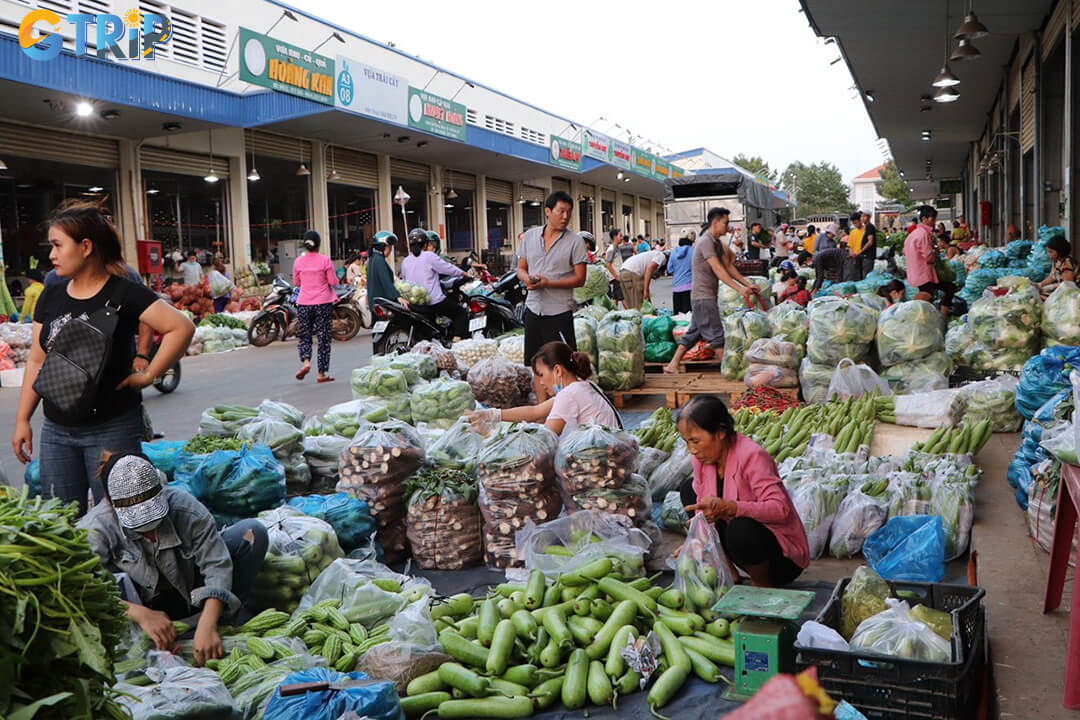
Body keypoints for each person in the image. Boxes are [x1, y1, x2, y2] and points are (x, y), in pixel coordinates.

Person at [12, 199, 194, 516]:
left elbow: (181, 327)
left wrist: (149, 374)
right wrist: (22, 419)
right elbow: (37, 361)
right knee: (63, 521)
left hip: (113, 428)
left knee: (117, 519)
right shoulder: (52, 294)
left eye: (57, 245)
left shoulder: (124, 292)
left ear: (85, 246)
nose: (51, 255)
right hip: (57, 430)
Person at [79, 452, 268, 664]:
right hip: (139, 607)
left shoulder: (185, 508)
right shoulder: (95, 529)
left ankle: (217, 620)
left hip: (189, 591)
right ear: (111, 503)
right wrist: (139, 614)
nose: (149, 533)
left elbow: (216, 563)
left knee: (253, 533)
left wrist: (208, 622)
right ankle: (158, 637)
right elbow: (84, 587)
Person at [677, 395, 809, 587]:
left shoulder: (753, 456)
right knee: (689, 491)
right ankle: (728, 571)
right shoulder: (701, 459)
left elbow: (780, 509)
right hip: (737, 546)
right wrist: (695, 542)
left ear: (720, 432)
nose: (692, 450)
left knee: (741, 528)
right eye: (687, 441)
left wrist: (731, 508)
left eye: (696, 441)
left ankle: (763, 586)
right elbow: (701, 512)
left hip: (778, 558)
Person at [664, 207, 756, 374]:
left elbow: (727, 265)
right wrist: (740, 289)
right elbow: (718, 269)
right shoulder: (705, 241)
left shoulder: (716, 242)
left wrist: (746, 283)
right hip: (703, 296)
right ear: (715, 222)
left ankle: (673, 365)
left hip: (704, 297)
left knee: (693, 333)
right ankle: (727, 370)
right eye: (726, 223)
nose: (727, 227)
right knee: (716, 335)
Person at [467, 341, 619, 436]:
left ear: (558, 371)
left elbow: (543, 441)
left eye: (541, 374)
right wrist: (490, 414)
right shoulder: (583, 385)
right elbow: (535, 412)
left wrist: (490, 434)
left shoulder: (569, 394)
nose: (540, 382)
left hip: (603, 464)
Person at [516, 191, 587, 375]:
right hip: (533, 310)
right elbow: (520, 268)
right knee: (535, 366)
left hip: (559, 313)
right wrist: (527, 279)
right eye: (561, 211)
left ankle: (564, 403)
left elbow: (580, 279)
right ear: (547, 211)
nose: (565, 217)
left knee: (563, 367)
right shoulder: (530, 237)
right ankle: (541, 403)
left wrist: (548, 283)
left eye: (569, 212)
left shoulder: (575, 241)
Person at [401, 227, 468, 341]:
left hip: (415, 304)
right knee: (460, 313)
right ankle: (456, 342)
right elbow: (448, 268)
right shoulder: (429, 256)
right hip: (434, 302)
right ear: (426, 244)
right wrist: (463, 273)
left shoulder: (405, 261)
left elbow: (404, 279)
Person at [292, 230, 338, 383]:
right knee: (323, 338)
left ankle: (305, 363)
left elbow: (297, 283)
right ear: (319, 244)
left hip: (304, 303)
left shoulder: (298, 262)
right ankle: (322, 373)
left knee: (305, 336)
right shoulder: (325, 260)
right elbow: (333, 282)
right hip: (323, 303)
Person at [905, 205, 955, 317]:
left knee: (944, 290)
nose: (934, 221)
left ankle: (940, 317)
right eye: (932, 219)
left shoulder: (913, 234)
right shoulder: (924, 234)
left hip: (916, 273)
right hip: (924, 274)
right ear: (924, 219)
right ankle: (917, 317)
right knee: (929, 296)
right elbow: (929, 258)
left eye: (934, 219)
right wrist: (936, 251)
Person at [366, 231, 404, 307]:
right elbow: (386, 281)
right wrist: (397, 297)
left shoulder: (372, 258)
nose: (391, 250)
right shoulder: (379, 260)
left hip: (375, 301)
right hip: (382, 302)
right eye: (390, 247)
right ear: (384, 247)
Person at [668, 232, 695, 314]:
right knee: (690, 317)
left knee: (678, 319)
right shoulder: (694, 251)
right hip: (690, 289)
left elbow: (669, 270)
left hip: (676, 289)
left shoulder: (673, 252)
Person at [858, 211, 878, 277]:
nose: (862, 218)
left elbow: (870, 242)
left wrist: (861, 251)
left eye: (864, 216)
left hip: (868, 256)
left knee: (866, 275)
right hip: (867, 256)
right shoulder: (867, 227)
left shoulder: (869, 226)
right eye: (861, 216)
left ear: (869, 217)